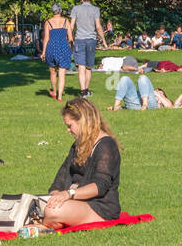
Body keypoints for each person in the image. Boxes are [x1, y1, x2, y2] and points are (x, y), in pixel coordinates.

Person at [29, 98, 122, 229]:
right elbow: (63, 174)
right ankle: (46, 223)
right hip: (76, 201)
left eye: (69, 125)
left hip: (99, 206)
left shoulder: (106, 145)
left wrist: (68, 194)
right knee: (33, 204)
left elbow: (99, 186)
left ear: (83, 122)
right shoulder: (78, 144)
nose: (68, 130)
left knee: (51, 211)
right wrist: (53, 195)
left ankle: (42, 224)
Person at [70, 0, 105, 98]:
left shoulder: (75, 9)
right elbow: (98, 27)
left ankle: (83, 91)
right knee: (88, 67)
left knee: (81, 66)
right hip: (91, 40)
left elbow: (71, 26)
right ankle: (86, 91)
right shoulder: (95, 10)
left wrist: (70, 38)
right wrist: (104, 40)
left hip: (79, 39)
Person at [40, 2, 73, 101]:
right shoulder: (66, 21)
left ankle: (54, 91)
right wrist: (70, 47)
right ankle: (59, 97)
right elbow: (70, 38)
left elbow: (46, 39)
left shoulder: (48, 22)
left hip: (52, 48)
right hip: (63, 47)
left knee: (53, 72)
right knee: (62, 74)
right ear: (61, 10)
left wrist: (43, 52)